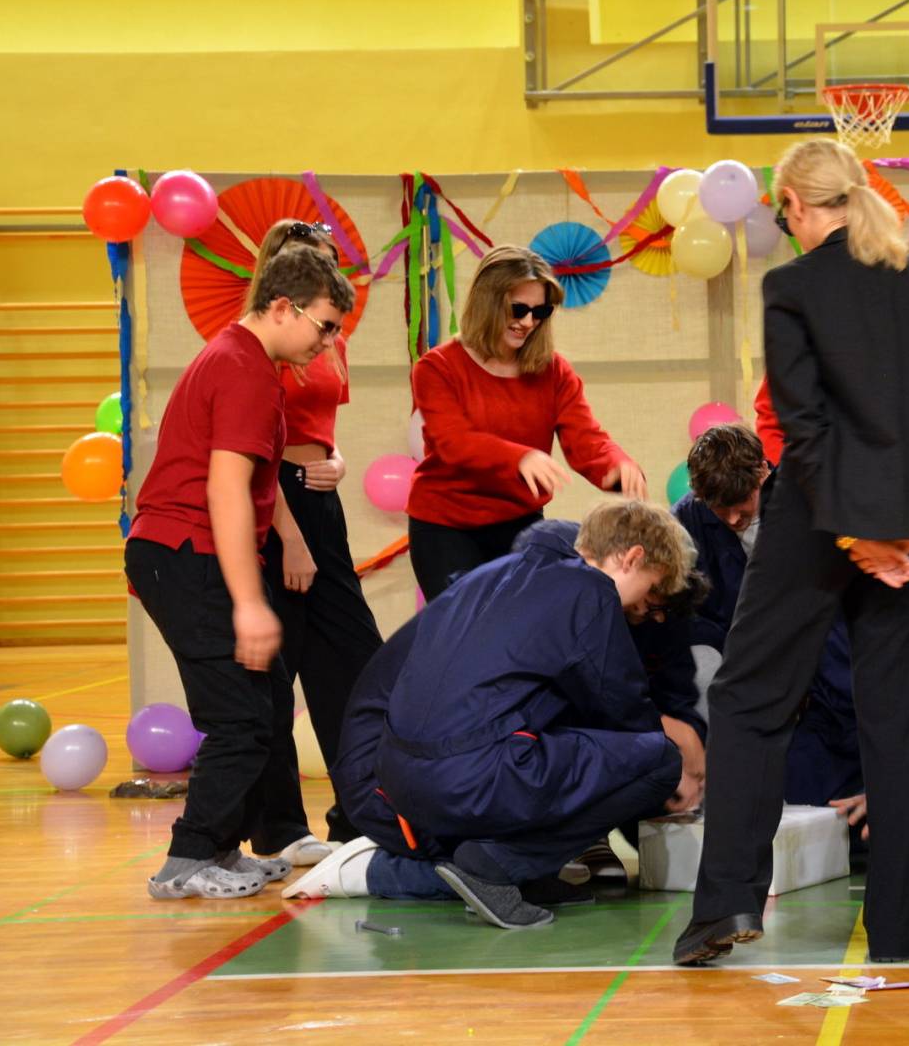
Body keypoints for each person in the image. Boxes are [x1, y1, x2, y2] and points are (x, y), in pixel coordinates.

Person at [672, 137, 909, 966]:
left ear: (797, 206)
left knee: (748, 701)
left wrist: (853, 534)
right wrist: (897, 532)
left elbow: (801, 430)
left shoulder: (794, 286)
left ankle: (727, 906)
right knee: (895, 718)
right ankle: (902, 927)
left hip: (817, 521)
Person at [287, 501, 701, 927]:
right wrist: (679, 761)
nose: (643, 607)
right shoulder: (590, 591)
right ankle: (500, 866)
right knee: (658, 759)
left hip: (396, 776)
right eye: (652, 587)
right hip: (444, 784)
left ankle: (523, 871)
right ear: (632, 557)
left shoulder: (492, 576)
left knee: (558, 739)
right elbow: (624, 711)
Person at [126, 245, 354, 899]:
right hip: (184, 553)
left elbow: (247, 481)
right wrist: (250, 602)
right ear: (283, 307)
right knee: (241, 718)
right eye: (324, 325)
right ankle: (187, 859)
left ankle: (223, 846)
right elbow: (225, 489)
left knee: (263, 704)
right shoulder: (244, 369)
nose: (328, 342)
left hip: (189, 554)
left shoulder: (244, 359)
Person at [241, 220, 383, 866]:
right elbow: (256, 450)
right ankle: (277, 826)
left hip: (320, 500)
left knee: (356, 660)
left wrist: (338, 462)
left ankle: (359, 814)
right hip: (275, 508)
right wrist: (291, 536)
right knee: (276, 669)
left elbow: (317, 426)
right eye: (312, 264)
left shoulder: (330, 338)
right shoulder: (261, 345)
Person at [408, 245, 646, 600]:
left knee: (527, 625)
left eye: (540, 312)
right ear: (487, 301)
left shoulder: (554, 371)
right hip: (446, 528)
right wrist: (519, 457)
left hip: (520, 524)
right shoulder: (437, 368)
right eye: (518, 309)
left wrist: (616, 465)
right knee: (470, 627)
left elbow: (586, 437)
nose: (528, 322)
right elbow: (453, 440)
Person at [673, 423, 862, 808]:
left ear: (763, 471)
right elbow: (687, 613)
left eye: (740, 503)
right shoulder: (689, 520)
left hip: (823, 669)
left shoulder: (808, 503)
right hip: (743, 664)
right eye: (718, 508)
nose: (731, 519)